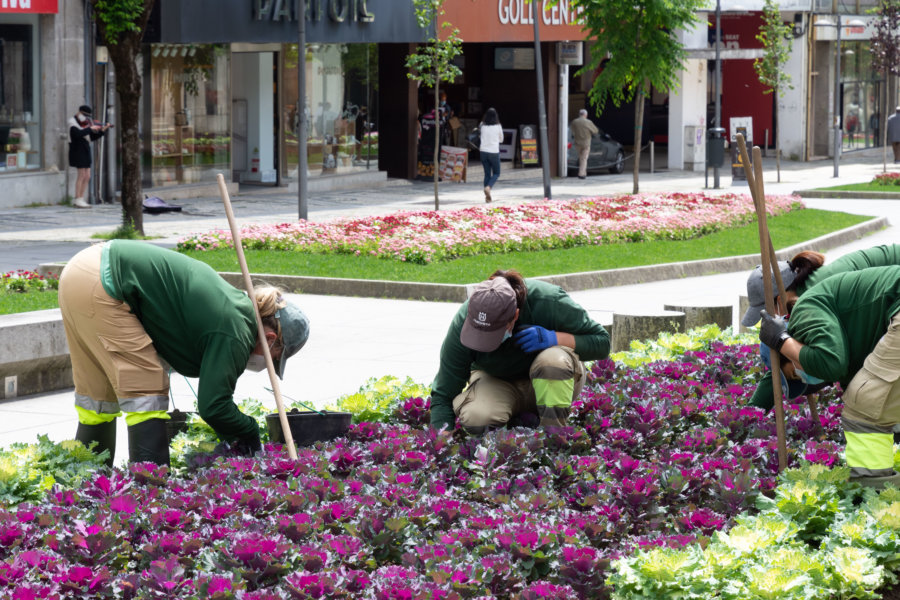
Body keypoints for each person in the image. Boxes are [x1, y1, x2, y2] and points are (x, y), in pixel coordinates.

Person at [58, 240, 310, 467]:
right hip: (107, 282)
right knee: (145, 394)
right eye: (274, 359)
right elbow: (214, 407)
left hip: (81, 271)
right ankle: (150, 495)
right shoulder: (236, 330)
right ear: (269, 339)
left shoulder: (234, 308)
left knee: (97, 400)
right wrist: (250, 433)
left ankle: (86, 487)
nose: (264, 366)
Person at [758, 265, 900, 489]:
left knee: (865, 405)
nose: (804, 378)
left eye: (795, 372)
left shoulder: (803, 314)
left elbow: (831, 363)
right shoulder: (845, 352)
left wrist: (781, 341)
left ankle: (876, 499)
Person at [429, 269, 610, 434]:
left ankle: (555, 436)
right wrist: (441, 440)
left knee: (553, 361)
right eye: (481, 335)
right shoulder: (464, 322)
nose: (486, 339)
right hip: (497, 383)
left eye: (493, 334)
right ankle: (517, 421)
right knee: (477, 418)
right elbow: (443, 393)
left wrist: (554, 338)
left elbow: (602, 343)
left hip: (549, 379)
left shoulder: (549, 300)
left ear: (515, 316)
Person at [743, 245, 900, 410]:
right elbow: (784, 363)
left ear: (780, 300)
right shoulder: (802, 299)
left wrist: (781, 341)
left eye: (770, 311)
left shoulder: (807, 305)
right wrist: (751, 414)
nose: (774, 317)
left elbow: (823, 361)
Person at [68, 105, 110, 209]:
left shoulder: (85, 124)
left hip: (85, 149)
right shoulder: (72, 122)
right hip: (77, 149)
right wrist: (90, 128)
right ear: (79, 112)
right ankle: (77, 198)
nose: (86, 118)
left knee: (87, 175)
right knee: (81, 174)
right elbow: (77, 134)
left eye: (88, 116)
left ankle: (81, 198)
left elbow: (91, 137)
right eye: (85, 115)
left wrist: (102, 131)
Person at [479, 107, 503, 202]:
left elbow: (480, 136)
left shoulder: (482, 125)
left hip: (483, 151)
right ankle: (488, 187)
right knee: (497, 173)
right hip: (494, 152)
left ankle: (487, 197)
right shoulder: (498, 126)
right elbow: (501, 139)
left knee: (487, 174)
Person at [570, 108, 598, 179]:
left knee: (581, 158)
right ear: (586, 115)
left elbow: (572, 131)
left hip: (577, 143)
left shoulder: (574, 122)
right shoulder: (588, 122)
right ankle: (581, 174)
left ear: (579, 114)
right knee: (584, 158)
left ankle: (583, 173)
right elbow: (595, 131)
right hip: (586, 143)